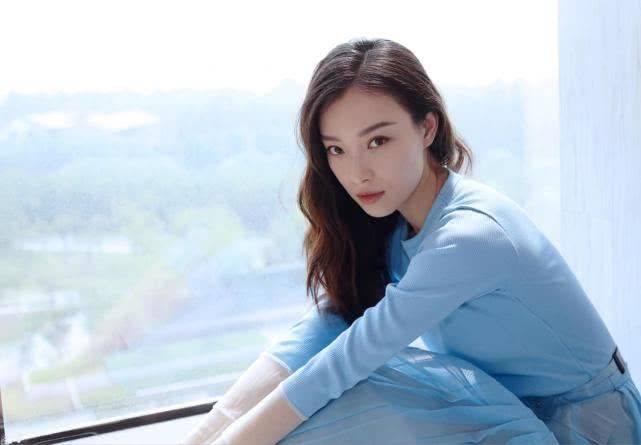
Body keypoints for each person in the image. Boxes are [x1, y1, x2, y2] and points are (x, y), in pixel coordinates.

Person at [182, 37, 641, 444]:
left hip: (590, 428)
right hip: (507, 413)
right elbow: (326, 326)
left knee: (367, 381)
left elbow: (347, 360)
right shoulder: (398, 225)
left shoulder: (469, 235)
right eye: (336, 149)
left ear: (427, 128)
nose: (357, 172)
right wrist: (205, 433)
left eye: (378, 141)